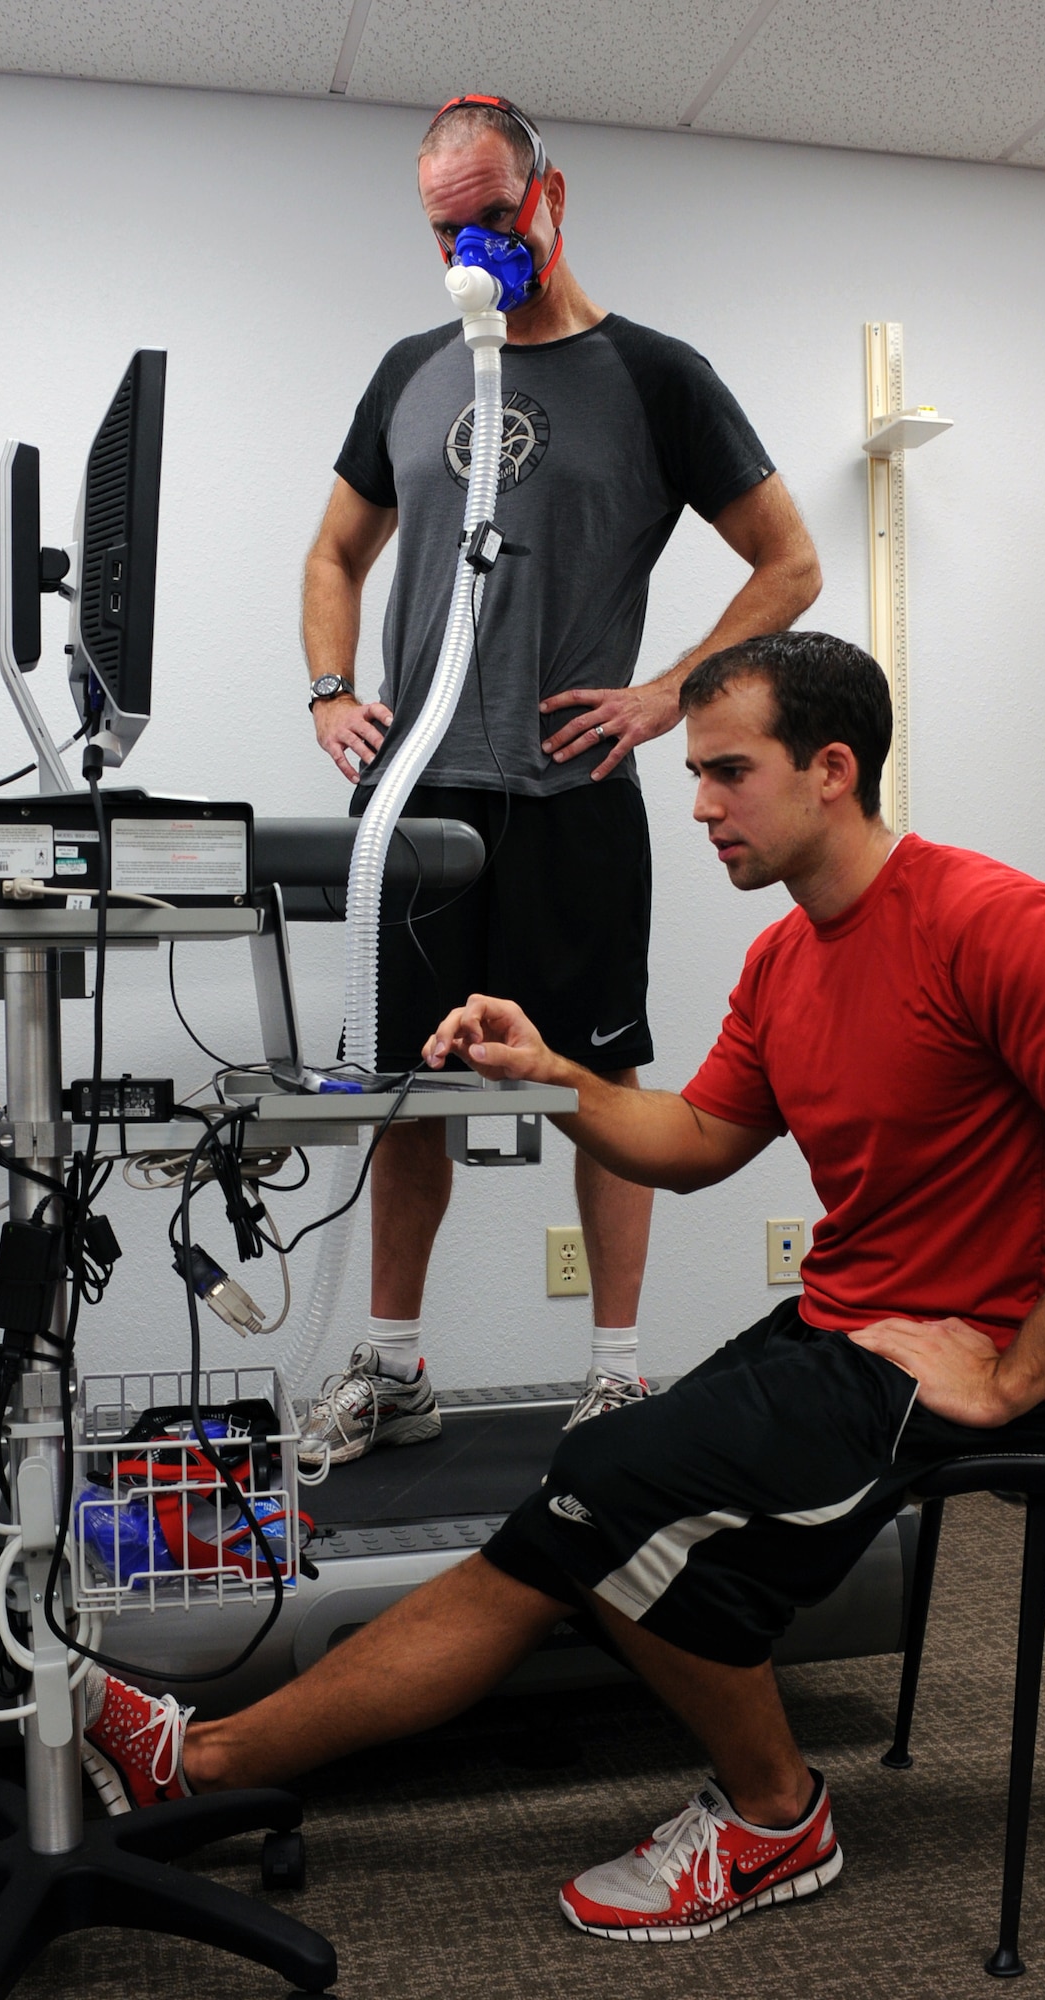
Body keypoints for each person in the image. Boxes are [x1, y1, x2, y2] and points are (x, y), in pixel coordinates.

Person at [82, 631, 1045, 1942]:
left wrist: (1021, 1371)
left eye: (729, 773)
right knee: (562, 1516)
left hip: (968, 1370)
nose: (699, 805)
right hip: (848, 1329)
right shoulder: (786, 964)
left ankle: (776, 1816)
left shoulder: (1001, 924)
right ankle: (199, 1761)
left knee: (612, 1489)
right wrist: (554, 1074)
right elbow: (687, 1146)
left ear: (831, 769)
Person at [297, 92, 822, 1461]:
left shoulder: (656, 376)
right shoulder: (414, 368)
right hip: (415, 801)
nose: (471, 249)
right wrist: (331, 689)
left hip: (571, 795)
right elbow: (333, 553)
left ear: (553, 198)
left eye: (491, 217)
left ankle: (617, 1372)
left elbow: (791, 560)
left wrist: (669, 696)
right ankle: (397, 1367)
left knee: (593, 1081)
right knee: (410, 1088)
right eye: (443, 228)